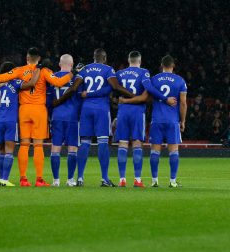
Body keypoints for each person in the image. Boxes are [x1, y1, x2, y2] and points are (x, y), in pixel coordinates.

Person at [0, 47, 72, 187]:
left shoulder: (19, 70)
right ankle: (39, 179)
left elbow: (1, 78)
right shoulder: (44, 71)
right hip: (39, 110)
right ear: (39, 59)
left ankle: (23, 179)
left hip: (24, 110)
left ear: (27, 58)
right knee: (38, 145)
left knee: (24, 145)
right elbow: (58, 83)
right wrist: (70, 75)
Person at [114, 51, 175, 187]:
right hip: (137, 112)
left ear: (129, 60)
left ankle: (122, 179)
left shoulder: (119, 73)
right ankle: (137, 179)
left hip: (122, 112)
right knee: (137, 144)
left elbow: (112, 88)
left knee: (122, 144)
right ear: (139, 61)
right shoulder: (143, 72)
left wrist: (120, 100)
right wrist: (165, 98)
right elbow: (148, 88)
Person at [76, 48, 134, 187]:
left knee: (84, 143)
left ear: (94, 57)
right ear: (105, 58)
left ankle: (79, 178)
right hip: (101, 109)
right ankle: (104, 178)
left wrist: (86, 94)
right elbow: (113, 87)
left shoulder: (84, 69)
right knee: (102, 142)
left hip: (86, 109)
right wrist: (132, 94)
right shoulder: (108, 69)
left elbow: (77, 89)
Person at [0, 61, 39, 186]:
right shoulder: (15, 82)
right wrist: (37, 71)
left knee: (1, 150)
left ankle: (0, 178)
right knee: (9, 150)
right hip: (10, 120)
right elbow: (31, 84)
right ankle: (4, 179)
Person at [143, 55, 187, 188]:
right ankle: (172, 181)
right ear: (173, 66)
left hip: (157, 119)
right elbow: (183, 103)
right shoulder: (180, 81)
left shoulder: (154, 79)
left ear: (162, 65)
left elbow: (148, 97)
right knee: (173, 150)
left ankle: (154, 180)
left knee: (155, 151)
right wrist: (183, 120)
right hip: (172, 120)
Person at [46, 54, 83, 186]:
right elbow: (80, 98)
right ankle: (70, 179)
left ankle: (56, 180)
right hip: (72, 116)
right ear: (72, 65)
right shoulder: (77, 78)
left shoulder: (52, 78)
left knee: (55, 148)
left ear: (59, 64)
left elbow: (49, 101)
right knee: (72, 148)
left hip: (56, 116)